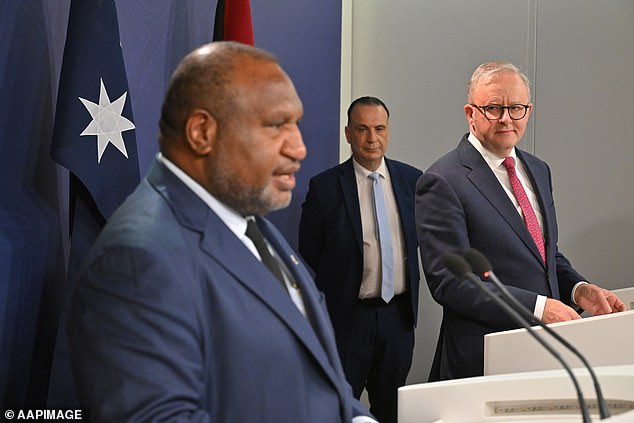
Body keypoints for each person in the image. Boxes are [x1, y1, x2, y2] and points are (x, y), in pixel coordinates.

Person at [66, 41, 377, 422]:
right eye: (276, 125)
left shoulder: (249, 219)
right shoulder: (135, 260)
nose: (298, 148)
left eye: (295, 124)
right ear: (202, 132)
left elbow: (319, 381)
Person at [416, 61, 626, 382]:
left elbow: (545, 255)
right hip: (483, 361)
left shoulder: (538, 169)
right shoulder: (443, 180)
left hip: (548, 354)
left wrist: (579, 290)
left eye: (516, 108)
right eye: (492, 108)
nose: (505, 118)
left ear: (528, 111)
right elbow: (451, 283)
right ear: (470, 113)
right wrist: (539, 308)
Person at [299, 96, 422, 423]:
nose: (372, 138)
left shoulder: (412, 181)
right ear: (348, 134)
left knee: (391, 410)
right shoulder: (325, 187)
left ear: (388, 131)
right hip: (349, 319)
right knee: (340, 407)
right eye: (363, 129)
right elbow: (309, 248)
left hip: (398, 317)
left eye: (379, 129)